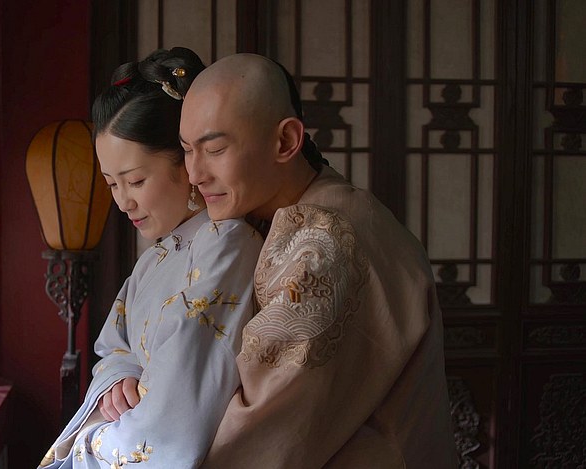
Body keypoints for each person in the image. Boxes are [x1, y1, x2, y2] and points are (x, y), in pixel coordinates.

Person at [179, 53, 458, 468]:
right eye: (187, 151)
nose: (195, 174)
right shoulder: (319, 208)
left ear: (286, 141)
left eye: (215, 149)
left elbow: (264, 429)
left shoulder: (320, 245)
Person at [38, 48, 263, 469]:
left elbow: (173, 422)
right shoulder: (155, 257)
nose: (123, 202)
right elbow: (113, 346)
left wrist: (88, 446)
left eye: (136, 181)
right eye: (112, 184)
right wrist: (118, 379)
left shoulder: (227, 246)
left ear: (186, 161)